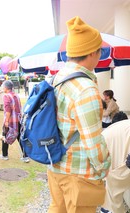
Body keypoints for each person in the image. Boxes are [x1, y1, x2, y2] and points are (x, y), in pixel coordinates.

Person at [48, 16, 111, 212]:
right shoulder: (85, 88)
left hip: (56, 167)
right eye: (100, 50)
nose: (101, 54)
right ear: (92, 52)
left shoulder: (59, 77)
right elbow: (93, 141)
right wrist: (105, 167)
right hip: (78, 173)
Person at [100, 116, 129, 213]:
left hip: (109, 142)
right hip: (109, 145)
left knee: (113, 184)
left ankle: (108, 209)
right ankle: (109, 209)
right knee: (114, 184)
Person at [0, 80, 29, 163]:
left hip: (11, 120)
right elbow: (19, 108)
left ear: (5, 87)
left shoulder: (6, 96)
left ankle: (4, 155)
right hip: (18, 120)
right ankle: (25, 156)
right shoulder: (16, 95)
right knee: (20, 137)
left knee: (5, 136)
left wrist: (7, 121)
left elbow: (8, 111)